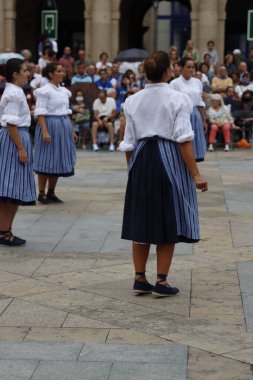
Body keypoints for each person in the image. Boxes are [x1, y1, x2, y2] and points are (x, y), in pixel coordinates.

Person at [119, 51, 208, 296]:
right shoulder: (178, 98)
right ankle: (161, 281)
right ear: (168, 71)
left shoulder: (132, 100)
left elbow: (128, 142)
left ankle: (139, 277)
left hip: (141, 157)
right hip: (168, 157)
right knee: (168, 216)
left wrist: (132, 171)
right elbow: (183, 139)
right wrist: (196, 174)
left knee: (142, 217)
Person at [0, 58, 36, 246]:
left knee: (12, 187)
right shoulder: (14, 93)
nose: (28, 73)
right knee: (9, 187)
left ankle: (6, 230)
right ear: (15, 74)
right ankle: (3, 232)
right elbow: (11, 123)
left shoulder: (15, 91)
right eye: (25, 70)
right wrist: (21, 148)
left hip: (16, 137)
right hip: (13, 139)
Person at [33, 63, 77, 204]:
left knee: (57, 158)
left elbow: (66, 112)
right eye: (59, 71)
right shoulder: (44, 91)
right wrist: (45, 132)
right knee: (46, 158)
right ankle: (41, 193)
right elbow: (40, 112)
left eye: (62, 71)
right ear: (51, 74)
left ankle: (51, 192)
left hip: (63, 125)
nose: (62, 73)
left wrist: (71, 130)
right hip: (49, 125)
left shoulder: (63, 91)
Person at [169, 57, 207, 162]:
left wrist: (203, 120)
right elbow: (172, 104)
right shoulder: (174, 83)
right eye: (188, 67)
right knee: (183, 142)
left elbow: (200, 103)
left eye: (193, 67)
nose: (191, 69)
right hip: (181, 116)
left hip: (195, 115)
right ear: (181, 68)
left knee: (196, 143)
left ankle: (193, 168)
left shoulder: (198, 82)